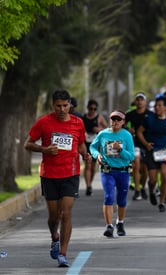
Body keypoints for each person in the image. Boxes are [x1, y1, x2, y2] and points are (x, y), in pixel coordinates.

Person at [24, 89, 91, 268]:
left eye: (65, 105)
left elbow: (81, 143)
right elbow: (27, 144)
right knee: (53, 216)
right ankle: (54, 236)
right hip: (49, 174)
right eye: (58, 106)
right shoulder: (44, 122)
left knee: (65, 213)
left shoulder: (78, 123)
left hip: (71, 174)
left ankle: (63, 253)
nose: (62, 109)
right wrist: (44, 150)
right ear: (53, 106)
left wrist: (86, 155)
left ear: (70, 105)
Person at [89, 110, 135, 237]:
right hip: (107, 171)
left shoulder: (126, 136)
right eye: (113, 119)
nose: (115, 122)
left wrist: (120, 150)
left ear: (123, 122)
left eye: (118, 120)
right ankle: (109, 226)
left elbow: (131, 156)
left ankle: (120, 222)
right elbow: (92, 147)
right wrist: (97, 155)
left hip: (123, 171)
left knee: (121, 199)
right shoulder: (103, 134)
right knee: (108, 196)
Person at [137, 95, 166, 212]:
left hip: (165, 151)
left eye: (160, 105)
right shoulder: (149, 119)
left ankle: (162, 202)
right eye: (156, 105)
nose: (157, 107)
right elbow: (139, 132)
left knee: (165, 177)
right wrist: (146, 144)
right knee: (152, 180)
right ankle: (151, 191)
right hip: (152, 152)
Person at [125, 92, 151, 201]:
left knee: (145, 169)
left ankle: (143, 187)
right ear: (135, 101)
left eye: (142, 100)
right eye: (138, 100)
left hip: (146, 143)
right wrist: (128, 129)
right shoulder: (130, 114)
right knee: (136, 165)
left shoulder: (150, 114)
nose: (139, 102)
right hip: (134, 143)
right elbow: (122, 123)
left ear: (145, 102)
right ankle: (136, 190)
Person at [82, 99, 108, 196]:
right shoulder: (83, 117)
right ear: (88, 108)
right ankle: (88, 186)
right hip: (86, 143)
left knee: (93, 167)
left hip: (95, 143)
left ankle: (90, 184)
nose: (92, 110)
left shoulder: (99, 117)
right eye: (91, 108)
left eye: (94, 109)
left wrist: (99, 129)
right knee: (87, 164)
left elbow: (107, 128)